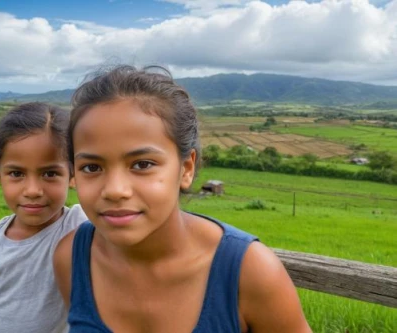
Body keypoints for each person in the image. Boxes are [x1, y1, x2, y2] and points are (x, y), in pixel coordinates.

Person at [53, 65, 312, 333]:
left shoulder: (249, 273)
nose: (115, 190)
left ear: (186, 169)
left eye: (142, 164)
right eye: (92, 168)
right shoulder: (71, 257)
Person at [0, 102, 88, 333]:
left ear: (72, 174)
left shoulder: (80, 227)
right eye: (16, 174)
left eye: (50, 173)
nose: (33, 190)